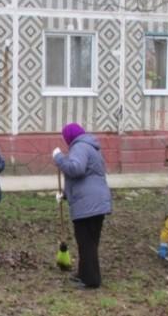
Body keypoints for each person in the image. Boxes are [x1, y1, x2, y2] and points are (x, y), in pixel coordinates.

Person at [52, 123, 112, 289]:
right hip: (95, 201)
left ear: (69, 136)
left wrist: (59, 158)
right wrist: (65, 195)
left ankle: (91, 280)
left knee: (86, 242)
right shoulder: (90, 147)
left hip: (88, 204)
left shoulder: (80, 147)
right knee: (90, 241)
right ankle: (84, 274)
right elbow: (85, 177)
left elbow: (76, 169)